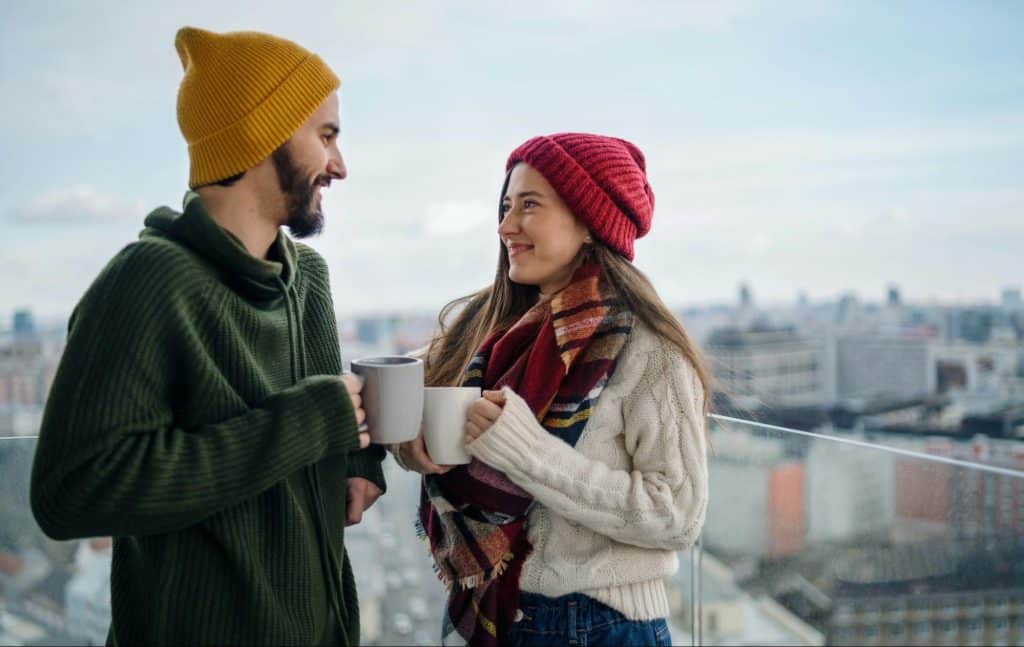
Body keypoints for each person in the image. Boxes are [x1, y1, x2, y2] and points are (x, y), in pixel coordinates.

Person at [30, 27, 385, 646]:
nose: (340, 165)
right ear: (260, 136)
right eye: (325, 135)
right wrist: (304, 423)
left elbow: (328, 419)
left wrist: (358, 462)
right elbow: (72, 491)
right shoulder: (147, 282)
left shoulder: (309, 281)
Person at [394, 132, 711, 646]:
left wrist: (524, 449)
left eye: (529, 206)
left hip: (600, 627)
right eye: (504, 206)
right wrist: (408, 438)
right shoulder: (492, 329)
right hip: (496, 617)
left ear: (588, 221)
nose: (505, 226)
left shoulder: (651, 351)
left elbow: (677, 515)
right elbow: (410, 380)